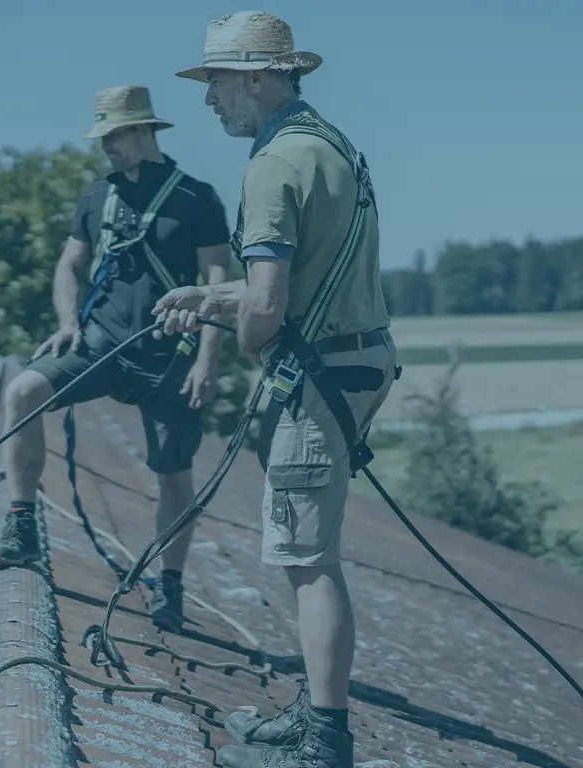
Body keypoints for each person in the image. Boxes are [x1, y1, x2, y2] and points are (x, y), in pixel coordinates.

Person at [153, 11, 398, 768]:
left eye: (216, 83)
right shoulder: (329, 147)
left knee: (306, 558)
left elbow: (266, 308)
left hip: (321, 374)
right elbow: (292, 288)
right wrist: (209, 297)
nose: (209, 101)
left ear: (259, 76)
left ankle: (325, 741)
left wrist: (239, 330)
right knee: (304, 551)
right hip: (357, 359)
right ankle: (314, 709)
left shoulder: (269, 167)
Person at [0, 84, 233, 632]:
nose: (105, 148)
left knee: (173, 473)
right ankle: (22, 524)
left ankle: (168, 583)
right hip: (100, 345)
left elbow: (218, 280)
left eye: (113, 136)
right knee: (21, 391)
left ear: (143, 131)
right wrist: (68, 323)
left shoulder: (197, 199)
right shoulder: (98, 196)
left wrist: (208, 361)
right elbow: (69, 265)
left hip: (172, 357)